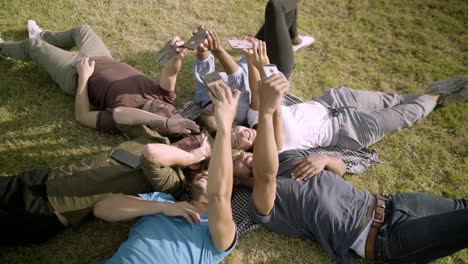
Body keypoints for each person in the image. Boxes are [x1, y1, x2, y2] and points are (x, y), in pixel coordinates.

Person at [245, 74, 468, 263]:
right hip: (385, 237)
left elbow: (341, 168)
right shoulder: (262, 204)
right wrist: (266, 110)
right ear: (232, 178)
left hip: (393, 202)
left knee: (462, 206)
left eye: (241, 153)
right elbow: (265, 175)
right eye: (234, 158)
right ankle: (435, 97)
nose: (242, 157)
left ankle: (435, 97)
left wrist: (325, 158)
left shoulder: (288, 157)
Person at [230, 40, 468, 155]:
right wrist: (265, 68)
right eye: (238, 141)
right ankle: (439, 93)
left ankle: (433, 98)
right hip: (349, 130)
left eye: (236, 131)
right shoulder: (274, 149)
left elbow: (255, 88)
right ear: (245, 150)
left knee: (394, 100)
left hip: (334, 101)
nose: (242, 133)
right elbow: (274, 107)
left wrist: (251, 59)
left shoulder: (254, 120)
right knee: (408, 114)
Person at [94, 82, 239, 264]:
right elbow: (102, 208)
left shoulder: (216, 232)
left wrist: (225, 125)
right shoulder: (161, 200)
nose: (207, 174)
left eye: (213, 176)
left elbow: (220, 197)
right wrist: (163, 208)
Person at [0, 125, 212, 245]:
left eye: (197, 146)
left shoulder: (174, 181)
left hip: (50, 209)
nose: (191, 142)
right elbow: (120, 114)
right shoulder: (155, 137)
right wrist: (164, 120)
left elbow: (152, 155)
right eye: (194, 138)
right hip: (43, 178)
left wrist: (197, 154)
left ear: (193, 166)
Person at [0, 21, 199, 135]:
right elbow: (171, 72)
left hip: (75, 72)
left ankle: (3, 48)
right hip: (102, 57)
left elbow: (83, 117)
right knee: (82, 29)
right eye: (172, 110)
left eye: (166, 115)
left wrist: (84, 78)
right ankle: (43, 35)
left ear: (158, 123)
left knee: (33, 47)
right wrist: (177, 54)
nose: (165, 107)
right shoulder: (164, 97)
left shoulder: (129, 121)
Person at [192, 0, 314, 129]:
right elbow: (236, 77)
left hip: (251, 54)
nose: (216, 106)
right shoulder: (237, 112)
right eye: (218, 113)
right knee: (275, 7)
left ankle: (294, 39)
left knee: (278, 13)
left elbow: (205, 71)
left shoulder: (205, 97)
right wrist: (218, 50)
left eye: (210, 110)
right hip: (271, 68)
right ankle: (293, 40)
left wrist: (202, 49)